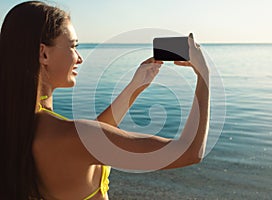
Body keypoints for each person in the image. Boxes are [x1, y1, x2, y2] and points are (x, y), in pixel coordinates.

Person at [0, 1, 210, 200]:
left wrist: (135, 87)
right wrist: (204, 75)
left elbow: (91, 140)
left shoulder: (18, 125)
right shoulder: (70, 137)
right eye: (73, 46)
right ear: (43, 54)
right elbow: (190, 151)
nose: (79, 58)